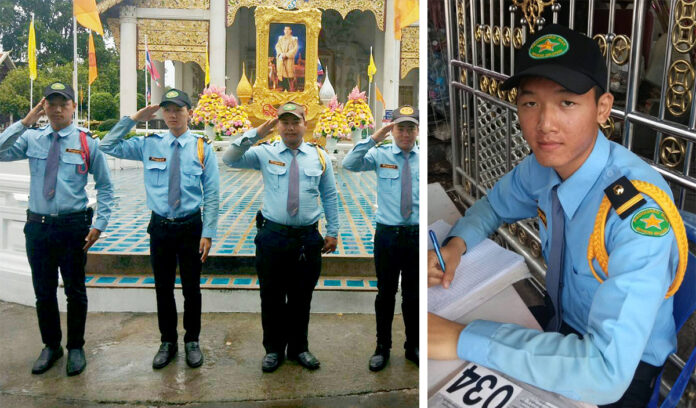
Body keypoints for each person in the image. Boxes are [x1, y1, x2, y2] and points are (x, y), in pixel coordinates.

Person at [428, 24, 681, 407]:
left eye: (567, 103)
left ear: (602, 108)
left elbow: (605, 372)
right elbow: (495, 205)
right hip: (561, 324)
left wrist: (460, 338)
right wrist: (457, 244)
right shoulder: (545, 167)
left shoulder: (636, 214)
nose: (544, 124)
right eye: (530, 103)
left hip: (622, 369)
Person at [100, 89, 219, 370]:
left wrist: (208, 232)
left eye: (178, 109)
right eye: (167, 110)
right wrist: (133, 119)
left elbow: (212, 193)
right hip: (161, 228)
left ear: (189, 112)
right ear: (161, 114)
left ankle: (192, 341)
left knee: (192, 289)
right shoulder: (148, 144)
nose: (173, 115)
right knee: (162, 288)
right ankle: (168, 342)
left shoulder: (203, 147)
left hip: (191, 226)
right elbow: (107, 145)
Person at [0, 82, 113, 376]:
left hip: (73, 227)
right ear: (44, 107)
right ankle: (51, 346)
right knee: (43, 291)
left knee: (75, 291)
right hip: (38, 227)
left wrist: (100, 223)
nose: (58, 109)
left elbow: (106, 188)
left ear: (74, 107)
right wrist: (24, 123)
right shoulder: (32, 139)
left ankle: (76, 347)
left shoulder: (88, 142)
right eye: (52, 103)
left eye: (64, 103)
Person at [222, 101, 339, 373]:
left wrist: (332, 231)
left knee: (301, 298)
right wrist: (256, 134)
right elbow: (229, 158)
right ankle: (273, 350)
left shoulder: (319, 157)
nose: (289, 127)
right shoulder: (264, 152)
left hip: (307, 239)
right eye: (284, 122)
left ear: (304, 124)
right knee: (272, 297)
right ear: (278, 125)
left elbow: (330, 195)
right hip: (273, 236)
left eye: (294, 121)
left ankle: (299, 348)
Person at [342, 106, 420, 371]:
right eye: (401, 128)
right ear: (393, 130)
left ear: (417, 131)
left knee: (413, 295)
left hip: (416, 236)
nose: (406, 134)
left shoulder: (423, 157)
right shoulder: (381, 154)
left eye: (411, 128)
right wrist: (376, 137)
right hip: (388, 235)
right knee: (385, 293)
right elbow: (349, 164)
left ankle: (413, 345)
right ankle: (382, 347)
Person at [275, 26, 298, 91]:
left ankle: (288, 89)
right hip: (281, 58)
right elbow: (277, 46)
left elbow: (294, 49)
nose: (286, 31)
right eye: (285, 29)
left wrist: (286, 55)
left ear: (291, 31)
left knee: (288, 74)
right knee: (281, 73)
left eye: (288, 30)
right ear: (284, 30)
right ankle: (283, 88)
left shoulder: (294, 39)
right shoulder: (281, 38)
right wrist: (281, 54)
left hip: (288, 59)